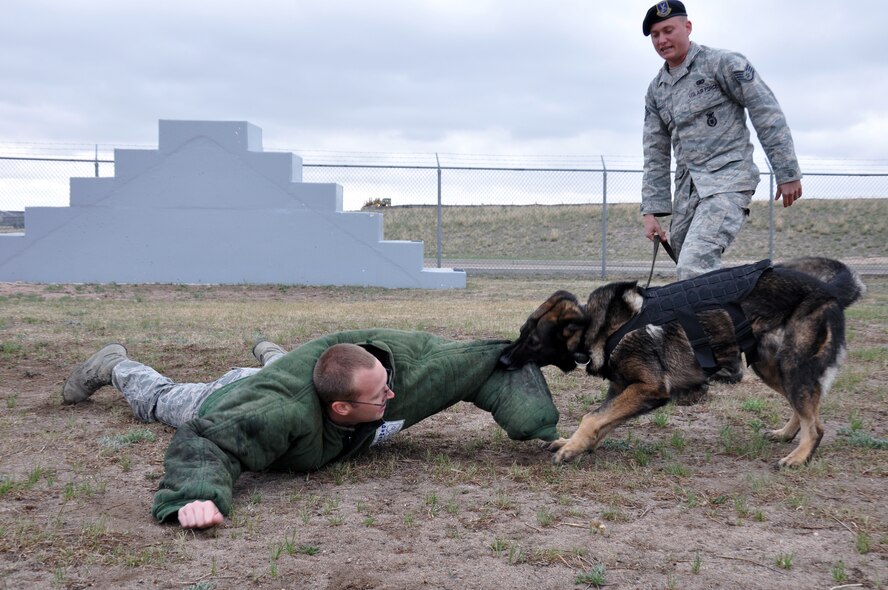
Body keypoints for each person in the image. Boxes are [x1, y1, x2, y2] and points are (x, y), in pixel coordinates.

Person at [61, 330, 560, 529]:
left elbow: (488, 358)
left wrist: (537, 423)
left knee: (285, 372)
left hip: (299, 376)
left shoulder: (388, 380)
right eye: (378, 396)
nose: (392, 398)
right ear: (341, 409)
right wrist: (194, 496)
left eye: (388, 387)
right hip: (235, 395)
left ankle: (273, 356)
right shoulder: (276, 414)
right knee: (161, 400)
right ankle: (117, 365)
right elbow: (205, 439)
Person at [640, 1, 803, 279]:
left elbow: (766, 111)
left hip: (728, 180)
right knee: (686, 260)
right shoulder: (656, 91)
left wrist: (787, 171)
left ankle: (711, 324)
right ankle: (736, 319)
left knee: (693, 266)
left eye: (668, 30)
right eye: (655, 35)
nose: (662, 40)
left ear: (687, 27)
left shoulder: (722, 64)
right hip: (688, 192)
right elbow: (655, 152)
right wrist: (651, 210)